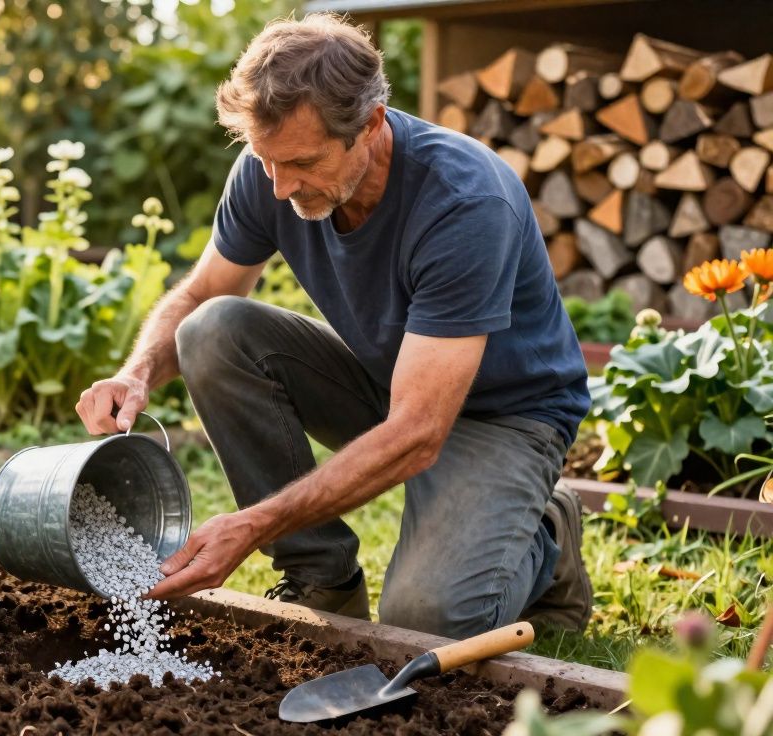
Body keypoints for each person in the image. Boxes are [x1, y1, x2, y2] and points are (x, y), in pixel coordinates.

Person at [74, 13, 592, 639]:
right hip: (393, 381)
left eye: (303, 162)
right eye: (267, 161)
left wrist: (256, 523)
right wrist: (135, 374)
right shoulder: (270, 171)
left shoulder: (465, 202)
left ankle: (547, 535)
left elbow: (419, 432)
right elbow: (203, 292)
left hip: (503, 416)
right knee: (212, 330)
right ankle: (322, 576)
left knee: (424, 620)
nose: (282, 185)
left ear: (370, 125)